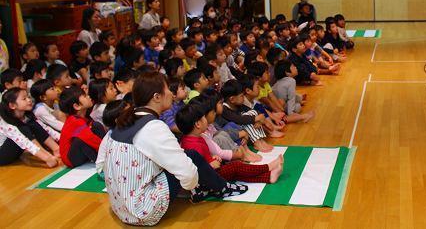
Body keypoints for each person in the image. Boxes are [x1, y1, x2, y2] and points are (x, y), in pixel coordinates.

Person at [97, 72, 243, 225]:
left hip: (120, 207)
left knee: (184, 158)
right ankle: (221, 188)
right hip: (143, 211)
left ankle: (216, 187)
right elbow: (188, 173)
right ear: (156, 97)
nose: (171, 94)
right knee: (190, 158)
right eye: (168, 89)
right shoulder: (153, 126)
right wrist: (191, 187)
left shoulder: (126, 119)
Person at [177, 103, 283, 183]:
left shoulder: (199, 137)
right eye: (203, 118)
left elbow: (208, 154)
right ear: (198, 124)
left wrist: (212, 157)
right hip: (206, 179)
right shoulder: (191, 145)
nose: (206, 120)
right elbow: (196, 168)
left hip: (212, 170)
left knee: (237, 174)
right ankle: (268, 167)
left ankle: (269, 177)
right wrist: (210, 164)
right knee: (235, 167)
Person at [0, 87, 61, 166]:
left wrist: (62, 139)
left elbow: (45, 128)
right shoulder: (6, 122)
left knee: (32, 124)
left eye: (28, 97)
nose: (29, 100)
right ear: (12, 105)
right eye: (24, 99)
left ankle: (56, 149)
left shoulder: (27, 116)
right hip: (2, 155)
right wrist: (47, 158)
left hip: (18, 148)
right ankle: (47, 155)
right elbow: (24, 142)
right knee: (23, 128)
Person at [58, 86, 105, 167]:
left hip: (80, 152)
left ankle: (103, 154)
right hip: (71, 160)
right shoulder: (74, 121)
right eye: (85, 96)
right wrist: (106, 149)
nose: (88, 96)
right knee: (80, 140)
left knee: (96, 125)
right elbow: (90, 138)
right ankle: (101, 161)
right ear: (77, 106)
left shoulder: (83, 117)